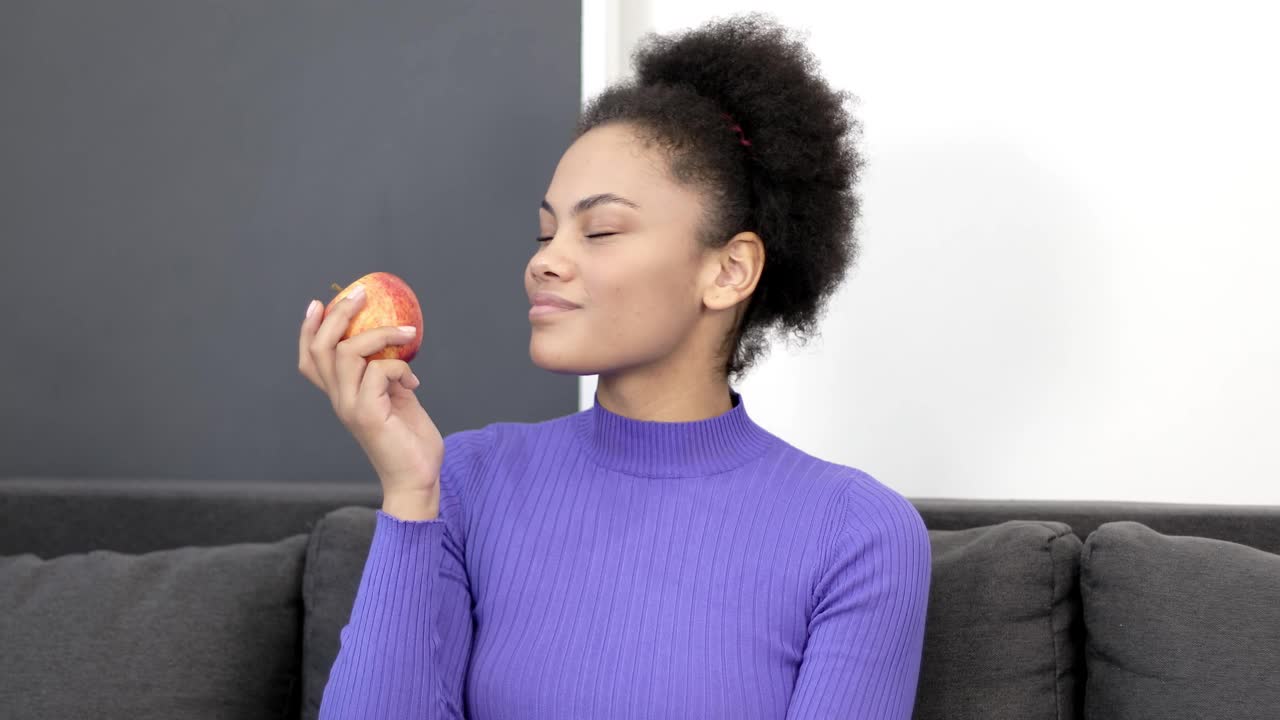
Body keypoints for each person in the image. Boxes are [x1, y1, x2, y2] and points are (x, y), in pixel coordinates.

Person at [298, 12, 931, 719]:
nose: (544, 260)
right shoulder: (462, 482)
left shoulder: (857, 534)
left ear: (728, 270)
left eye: (599, 230)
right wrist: (410, 494)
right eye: (546, 231)